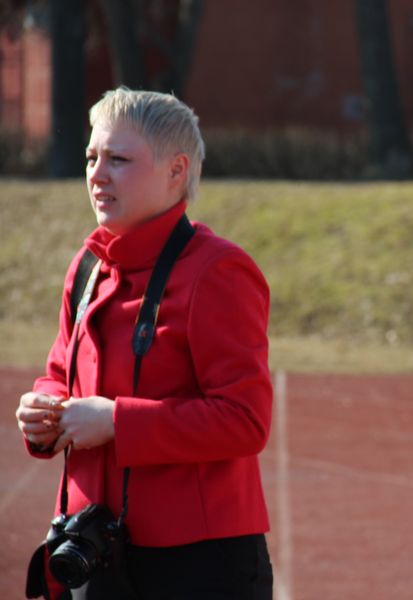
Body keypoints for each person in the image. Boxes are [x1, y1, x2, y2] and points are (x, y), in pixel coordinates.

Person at [15, 88, 273, 599]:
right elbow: (60, 372)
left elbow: (245, 420)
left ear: (176, 171)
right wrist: (42, 411)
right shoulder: (88, 266)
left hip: (197, 563)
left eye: (118, 159)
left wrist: (115, 421)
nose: (97, 173)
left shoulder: (217, 270)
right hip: (90, 548)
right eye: (92, 157)